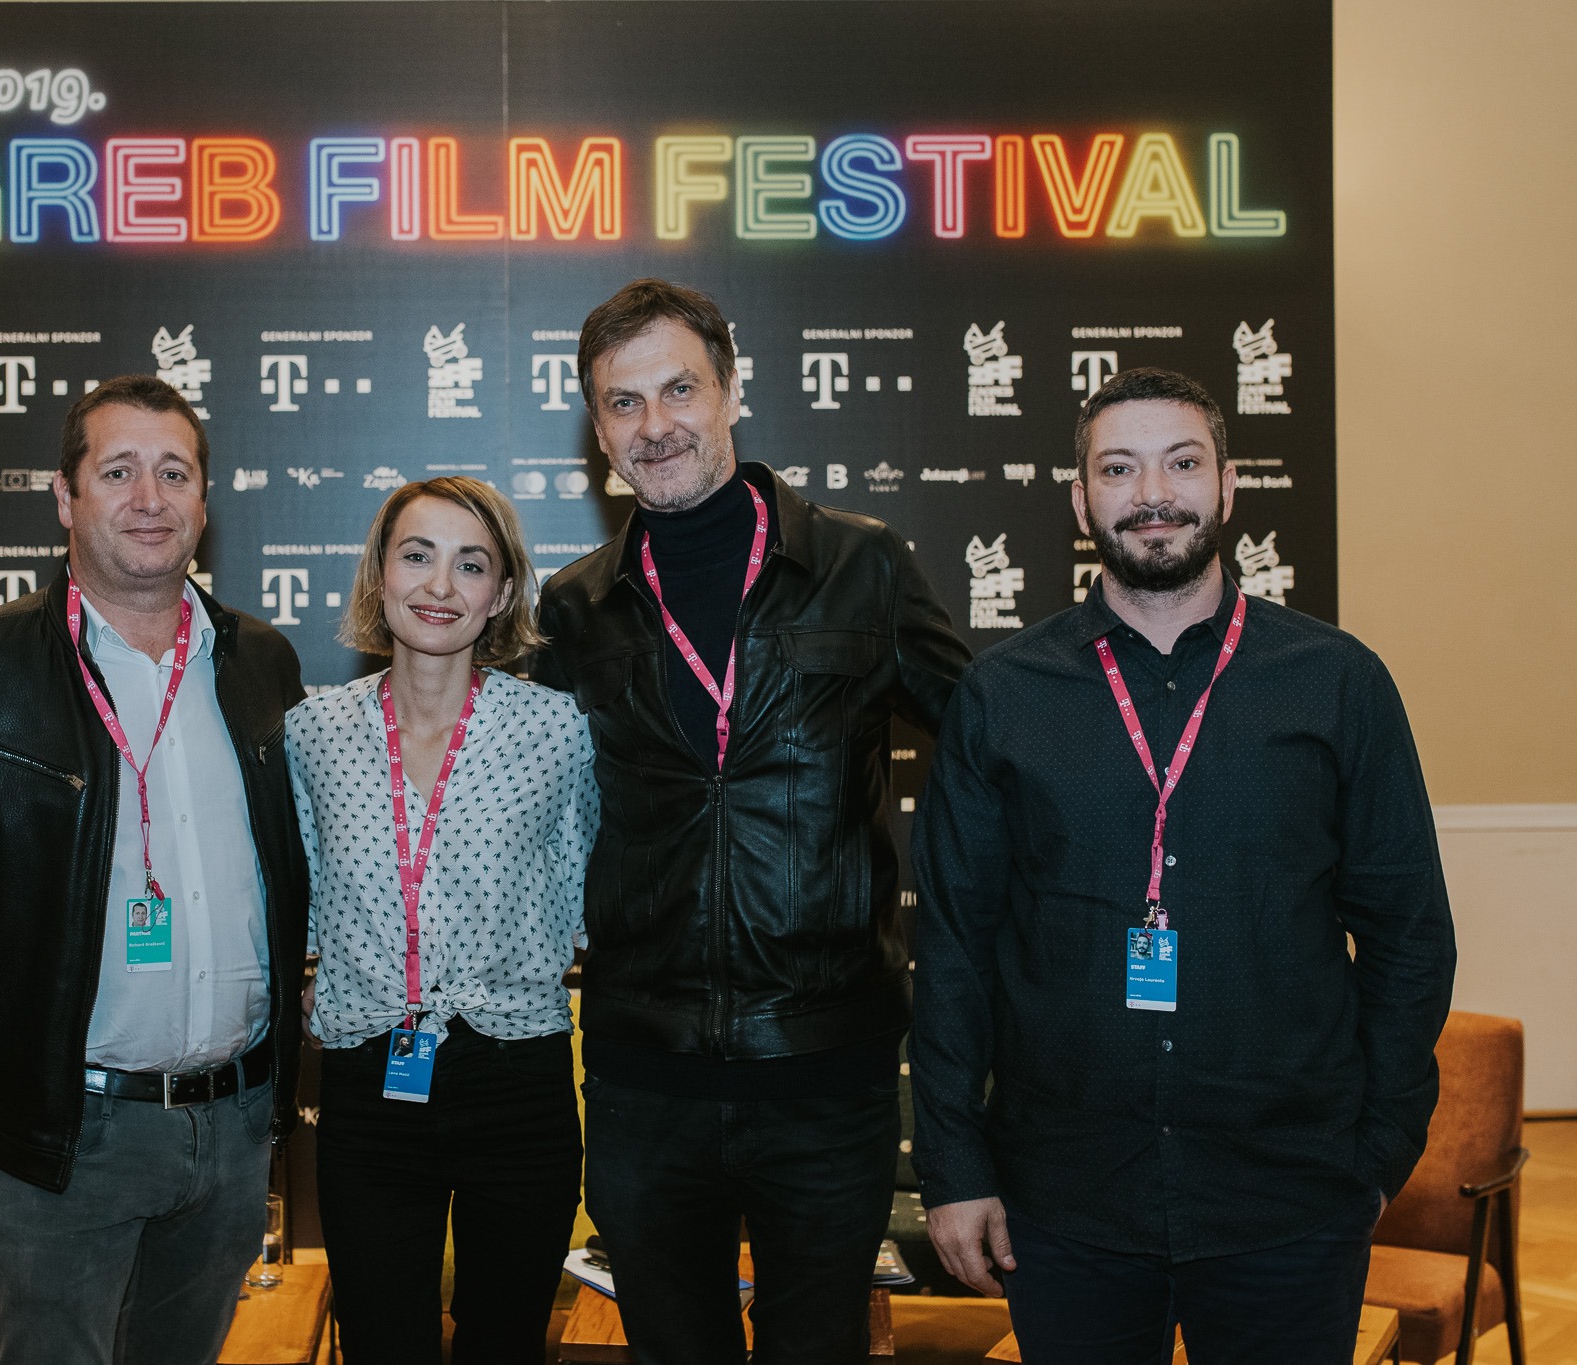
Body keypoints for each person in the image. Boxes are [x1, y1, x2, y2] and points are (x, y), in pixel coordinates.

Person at [911, 367, 1456, 1364]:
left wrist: (1377, 1150)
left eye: (1181, 463)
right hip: (1065, 1200)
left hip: (1288, 1200)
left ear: (1227, 486)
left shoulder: (1338, 683)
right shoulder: (1001, 696)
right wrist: (953, 1166)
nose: (1151, 493)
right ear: (1080, 499)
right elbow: (952, 949)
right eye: (1118, 468)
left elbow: (1408, 935)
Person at [0, 375, 310, 1365]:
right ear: (64, 495)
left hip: (234, 1126)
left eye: (174, 473)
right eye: (118, 471)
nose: (149, 498)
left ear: (204, 499)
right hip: (68, 1135)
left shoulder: (259, 662)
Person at [530, 279, 971, 1363]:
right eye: (623, 403)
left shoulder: (862, 565)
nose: (655, 424)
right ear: (598, 430)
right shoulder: (575, 609)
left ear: (731, 391)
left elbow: (990, 740)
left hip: (826, 1072)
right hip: (643, 1080)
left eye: (679, 389)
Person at [285, 477, 598, 1365]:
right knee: (383, 1343)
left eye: (471, 564)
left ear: (501, 593)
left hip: (518, 1078)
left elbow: (588, 887)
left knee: (506, 1342)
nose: (439, 586)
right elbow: (302, 894)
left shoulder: (557, 730)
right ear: (379, 575)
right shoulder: (313, 732)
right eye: (417, 556)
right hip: (370, 1083)